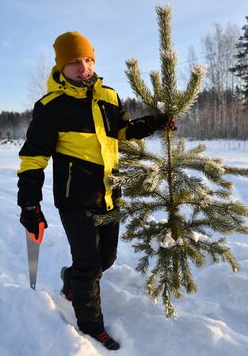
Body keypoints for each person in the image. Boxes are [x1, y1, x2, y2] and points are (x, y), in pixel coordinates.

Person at [17, 31, 173, 351]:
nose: (84, 67)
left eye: (88, 60)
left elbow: (124, 131)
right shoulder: (51, 107)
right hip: (75, 199)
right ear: (61, 66)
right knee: (89, 265)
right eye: (75, 62)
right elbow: (34, 157)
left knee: (107, 258)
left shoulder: (110, 97)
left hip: (109, 193)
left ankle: (71, 278)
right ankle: (91, 326)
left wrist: (155, 122)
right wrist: (29, 204)